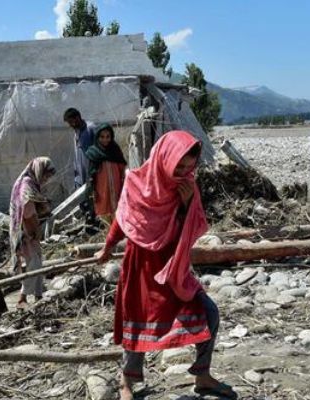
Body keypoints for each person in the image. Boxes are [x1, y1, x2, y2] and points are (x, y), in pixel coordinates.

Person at [94, 131, 236, 400]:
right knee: (136, 322)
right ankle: (127, 381)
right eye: (178, 166)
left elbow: (191, 227)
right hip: (141, 265)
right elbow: (123, 220)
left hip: (172, 266)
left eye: (188, 167)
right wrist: (107, 247)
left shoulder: (187, 188)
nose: (182, 172)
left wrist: (185, 205)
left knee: (209, 313)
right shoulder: (137, 182)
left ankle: (202, 375)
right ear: (164, 158)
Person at [9, 157, 56, 309]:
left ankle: (38, 294)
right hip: (26, 231)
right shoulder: (26, 184)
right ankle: (22, 298)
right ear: (39, 171)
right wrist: (35, 230)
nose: (46, 179)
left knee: (37, 260)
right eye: (45, 175)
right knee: (34, 263)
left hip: (28, 230)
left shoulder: (30, 183)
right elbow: (28, 211)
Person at [85, 123, 127, 225]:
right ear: (97, 137)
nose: (105, 139)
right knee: (105, 216)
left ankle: (117, 236)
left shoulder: (115, 150)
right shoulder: (93, 153)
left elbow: (122, 168)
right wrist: (92, 190)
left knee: (118, 213)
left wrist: (124, 184)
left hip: (117, 188)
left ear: (111, 137)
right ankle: (108, 237)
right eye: (102, 137)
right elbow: (90, 174)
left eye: (108, 137)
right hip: (101, 190)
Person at [63, 108, 97, 189]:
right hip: (80, 176)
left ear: (77, 118)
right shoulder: (76, 132)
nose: (70, 125)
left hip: (91, 173)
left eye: (71, 122)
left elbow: (99, 150)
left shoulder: (90, 128)